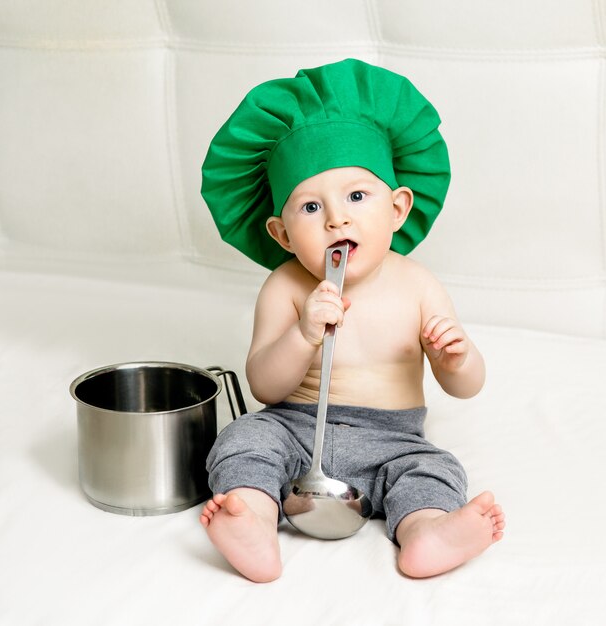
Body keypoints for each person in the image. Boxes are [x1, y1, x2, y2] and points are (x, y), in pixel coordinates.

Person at [199, 59, 505, 583]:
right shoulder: (286, 287)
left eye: (357, 197)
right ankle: (253, 516)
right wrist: (302, 335)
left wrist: (456, 356)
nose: (337, 218)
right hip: (294, 427)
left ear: (398, 208)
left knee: (433, 469)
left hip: (393, 438)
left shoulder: (417, 285)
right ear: (281, 235)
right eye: (311, 207)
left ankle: (427, 530)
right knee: (244, 439)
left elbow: (467, 387)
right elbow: (265, 385)